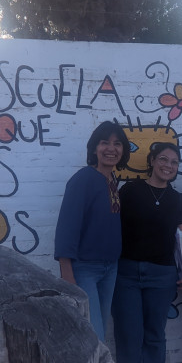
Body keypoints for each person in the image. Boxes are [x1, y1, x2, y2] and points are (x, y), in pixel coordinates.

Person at [112, 142, 182, 363]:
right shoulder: (130, 190)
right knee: (129, 336)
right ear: (151, 160)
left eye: (174, 162)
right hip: (126, 273)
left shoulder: (178, 200)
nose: (168, 166)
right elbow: (110, 225)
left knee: (154, 335)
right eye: (163, 159)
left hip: (162, 275)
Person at [54, 120, 130, 341]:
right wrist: (67, 273)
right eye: (104, 142)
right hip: (85, 269)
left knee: (100, 331)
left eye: (117, 144)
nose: (111, 148)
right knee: (93, 335)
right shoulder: (83, 180)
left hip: (110, 269)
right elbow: (67, 226)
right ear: (95, 148)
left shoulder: (112, 181)